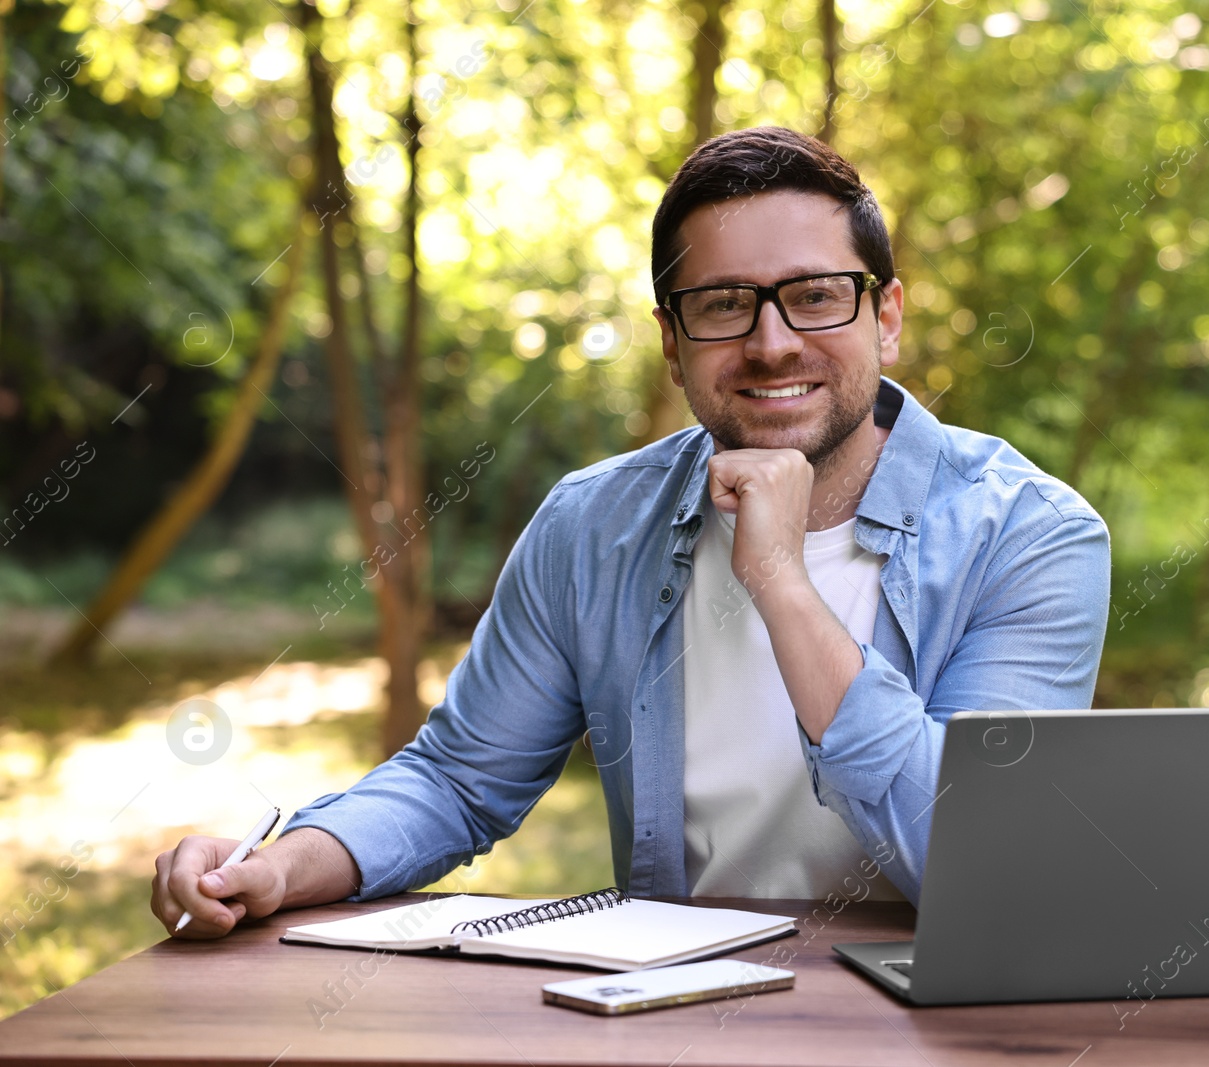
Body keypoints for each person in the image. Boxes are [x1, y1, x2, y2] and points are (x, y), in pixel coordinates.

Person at [150, 125, 1110, 937]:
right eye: (724, 304)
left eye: (816, 295)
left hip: (921, 1023)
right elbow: (457, 780)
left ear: (887, 315)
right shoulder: (591, 524)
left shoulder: (1031, 535)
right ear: (671, 338)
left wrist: (778, 576)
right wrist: (279, 869)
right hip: (670, 1010)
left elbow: (983, 857)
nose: (772, 342)